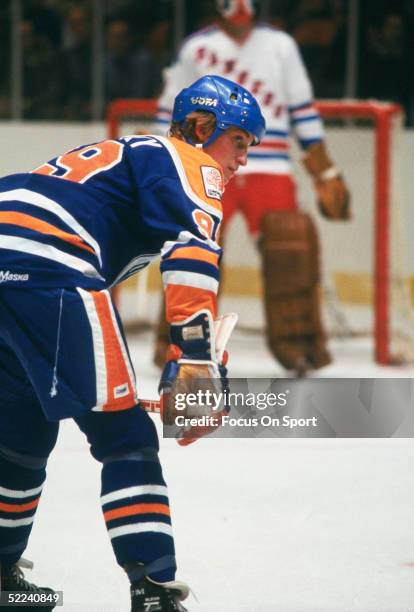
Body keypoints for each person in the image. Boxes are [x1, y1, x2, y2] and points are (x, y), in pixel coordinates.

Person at [0, 75, 265, 611]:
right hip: (49, 261)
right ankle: (153, 591)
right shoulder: (189, 159)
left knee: (21, 432)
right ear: (201, 126)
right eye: (239, 141)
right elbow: (192, 252)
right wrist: (193, 356)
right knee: (126, 437)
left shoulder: (124, 153)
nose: (240, 160)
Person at [154, 0, 350, 376]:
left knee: (289, 253)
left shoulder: (281, 46)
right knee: (192, 254)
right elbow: (170, 110)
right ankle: (176, 345)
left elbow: (301, 108)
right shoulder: (196, 48)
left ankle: (299, 345)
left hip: (271, 161)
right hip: (205, 161)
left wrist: (324, 170)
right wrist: (166, 163)